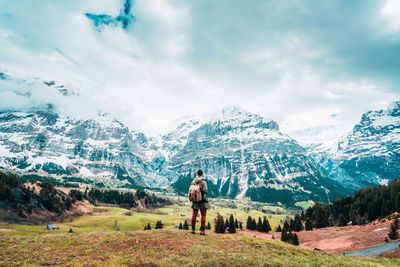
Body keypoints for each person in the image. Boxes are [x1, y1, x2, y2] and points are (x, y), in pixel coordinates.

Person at [190, 169, 210, 235]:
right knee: (203, 215)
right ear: (202, 174)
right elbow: (206, 191)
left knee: (194, 215)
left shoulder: (193, 181)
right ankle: (202, 230)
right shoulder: (204, 182)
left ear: (197, 174)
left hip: (195, 200)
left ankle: (193, 230)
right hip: (202, 201)